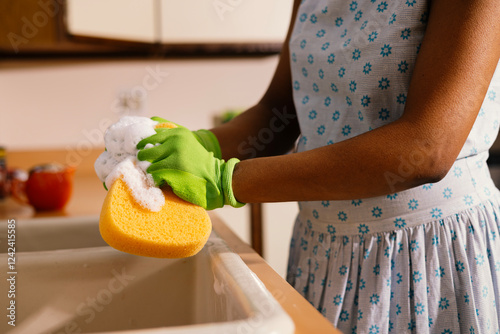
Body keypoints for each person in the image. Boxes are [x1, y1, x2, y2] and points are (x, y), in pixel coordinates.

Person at [137, 0, 500, 332]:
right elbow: (278, 113)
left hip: (426, 255)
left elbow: (426, 148)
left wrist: (225, 179)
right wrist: (202, 145)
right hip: (321, 251)